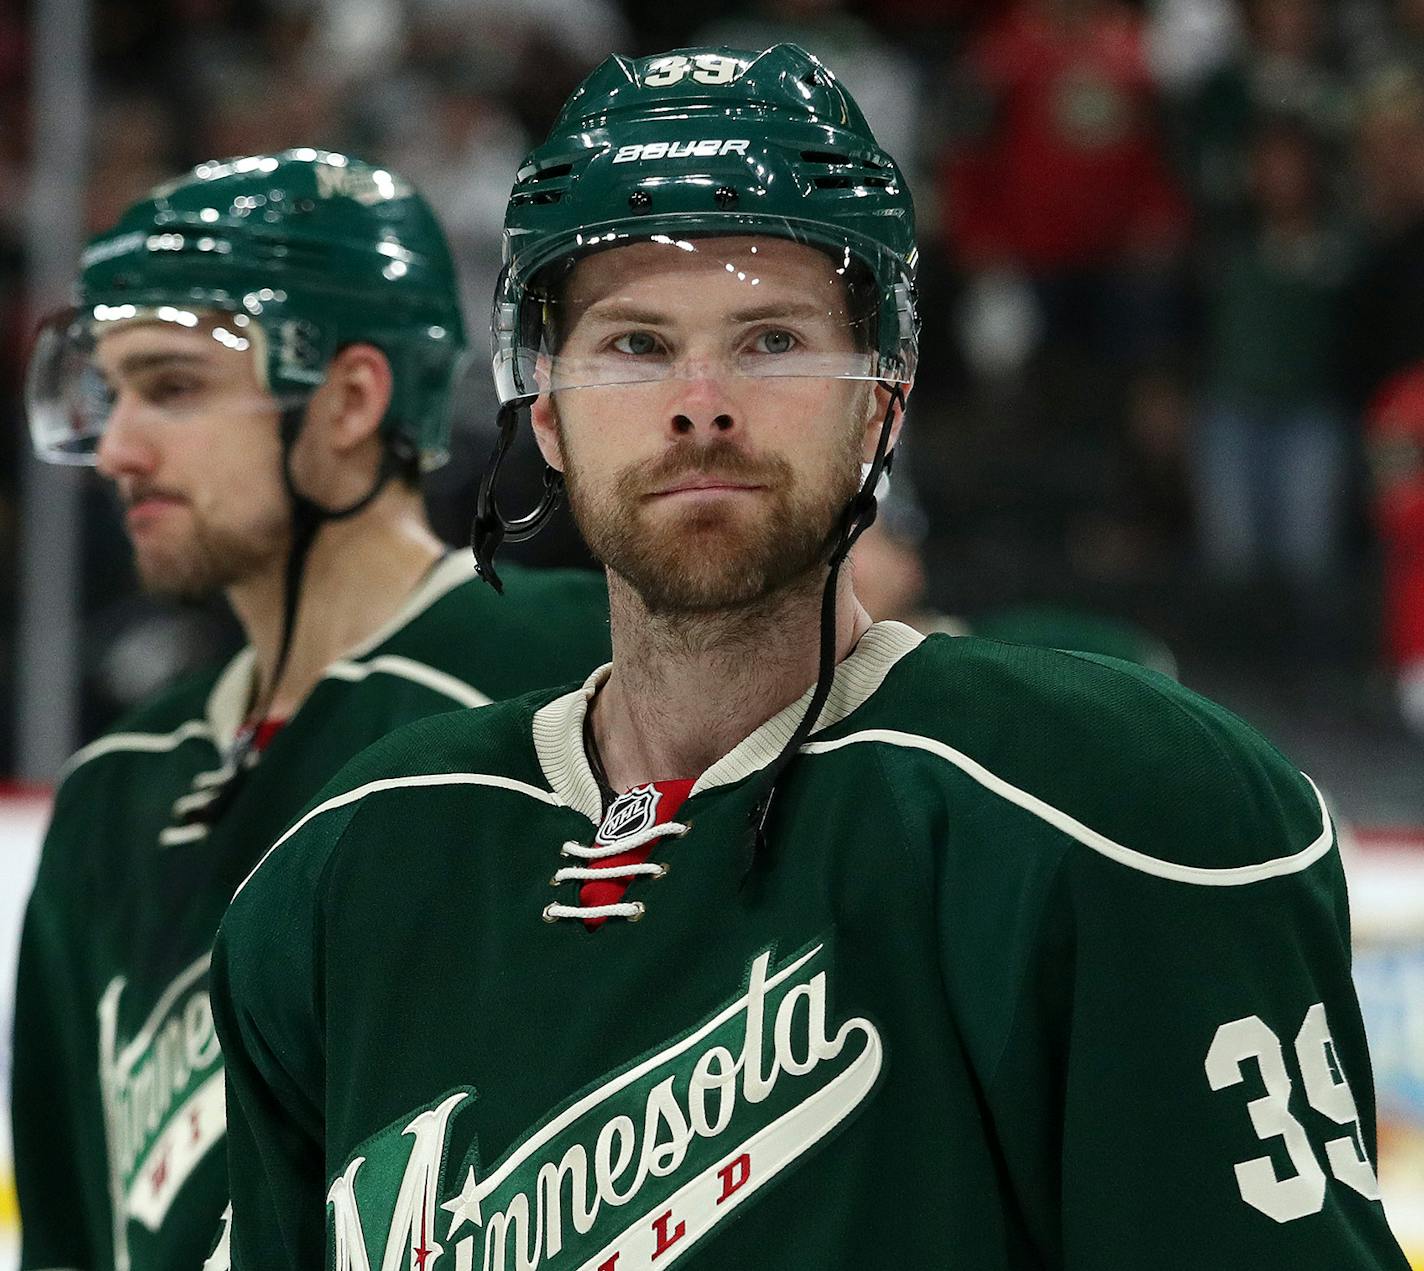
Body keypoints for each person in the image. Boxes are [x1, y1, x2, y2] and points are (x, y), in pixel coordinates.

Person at [211, 50, 1410, 1269]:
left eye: (772, 339)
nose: (700, 402)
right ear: (546, 409)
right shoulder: (350, 865)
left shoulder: (1106, 808)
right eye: (631, 344)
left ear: (881, 400)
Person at [11, 149, 611, 1271]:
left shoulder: (577, 674)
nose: (118, 450)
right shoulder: (118, 783)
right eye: (109, 390)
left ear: (348, 398)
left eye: (173, 387)